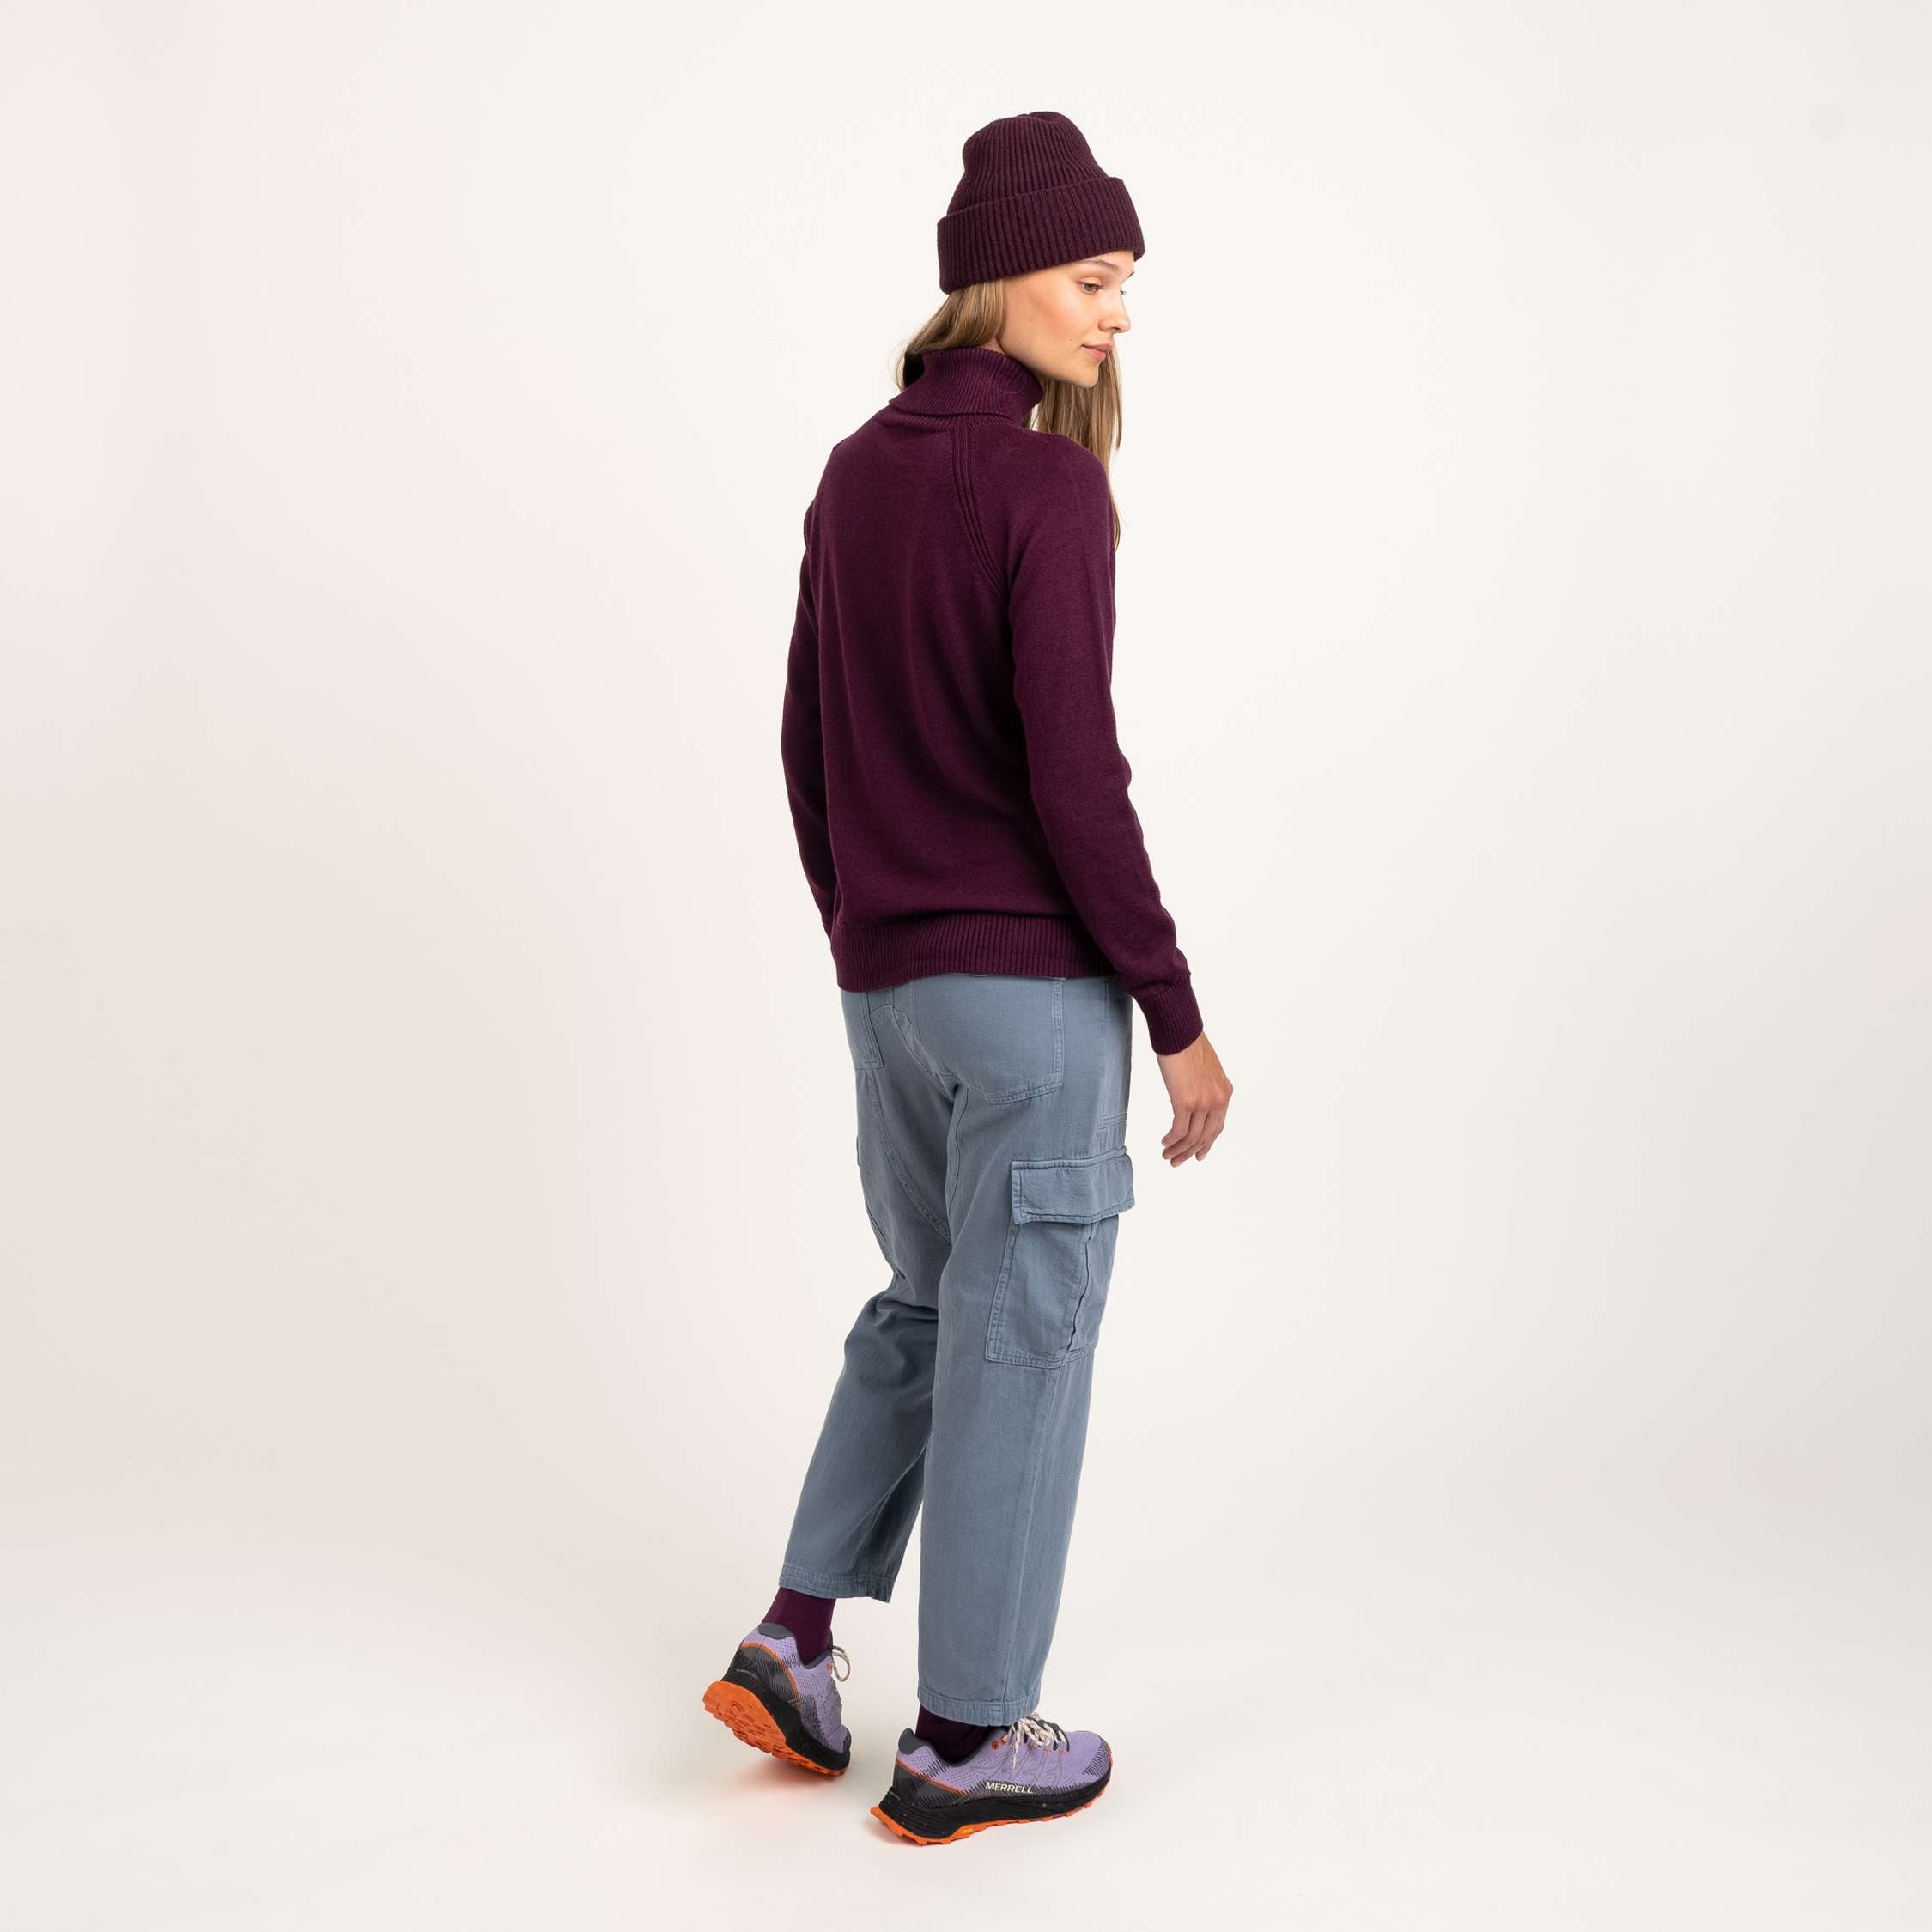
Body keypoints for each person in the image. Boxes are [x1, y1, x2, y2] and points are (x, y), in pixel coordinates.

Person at [702, 110, 1234, 1846]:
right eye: (1094, 280)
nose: (1118, 315)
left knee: (930, 1309)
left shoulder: (854, 472)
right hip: (1028, 998)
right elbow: (1078, 779)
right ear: (999, 279)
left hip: (892, 992)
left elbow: (806, 740)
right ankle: (963, 1739)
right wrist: (1176, 1017)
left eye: (1126, 284)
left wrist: (867, 936)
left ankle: (794, 1638)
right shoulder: (1045, 483)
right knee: (1018, 1343)